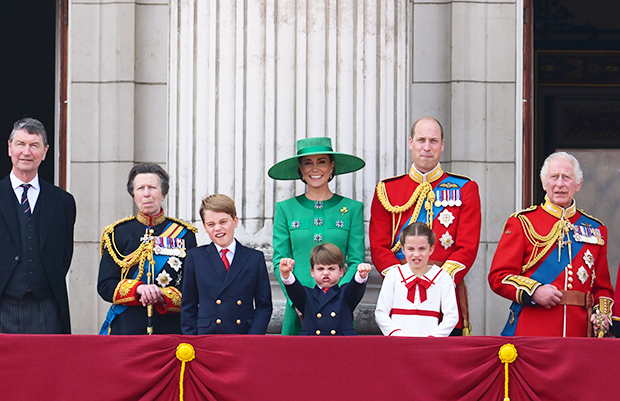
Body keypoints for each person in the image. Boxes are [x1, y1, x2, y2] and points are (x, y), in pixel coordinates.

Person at [369, 116, 481, 335]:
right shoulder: (387, 190)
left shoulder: (465, 188)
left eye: (433, 141)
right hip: (400, 297)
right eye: (421, 140)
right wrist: (402, 282)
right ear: (411, 143)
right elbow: (379, 246)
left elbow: (467, 247)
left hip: (444, 295)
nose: (427, 147)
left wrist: (438, 282)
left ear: (442, 145)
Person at [488, 152, 614, 337]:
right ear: (544, 182)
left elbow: (602, 288)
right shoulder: (522, 222)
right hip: (532, 330)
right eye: (554, 177)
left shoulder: (597, 229)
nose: (560, 184)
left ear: (578, 184)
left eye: (567, 177)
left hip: (578, 332)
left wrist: (602, 314)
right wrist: (534, 291)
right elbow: (499, 276)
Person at [269, 137, 366, 335]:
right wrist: (296, 300)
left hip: (338, 311)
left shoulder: (353, 209)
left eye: (321, 161)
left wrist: (340, 299)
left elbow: (356, 261)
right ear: (300, 169)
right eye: (308, 163)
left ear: (331, 166)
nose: (315, 169)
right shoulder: (285, 209)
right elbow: (280, 261)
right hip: (297, 308)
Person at [98, 163, 197, 335]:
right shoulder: (117, 233)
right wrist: (138, 289)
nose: (146, 194)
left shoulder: (184, 234)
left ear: (163, 193)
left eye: (152, 188)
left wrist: (162, 295)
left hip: (170, 330)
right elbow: (105, 286)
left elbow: (193, 288)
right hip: (127, 329)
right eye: (140, 188)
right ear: (133, 194)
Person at [0, 118, 76, 334]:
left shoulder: (63, 202)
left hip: (46, 308)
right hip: (3, 304)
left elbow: (64, 256)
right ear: (9, 148)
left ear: (45, 152)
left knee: (47, 366)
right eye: (20, 144)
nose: (26, 152)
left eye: (34, 146)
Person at [181, 194, 272, 335]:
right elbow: (188, 305)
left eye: (223, 222)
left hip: (243, 335)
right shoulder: (195, 257)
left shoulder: (254, 258)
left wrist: (254, 337)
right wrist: (191, 339)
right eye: (211, 224)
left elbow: (264, 305)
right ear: (205, 227)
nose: (217, 228)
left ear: (235, 222)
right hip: (207, 336)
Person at [375, 222, 458, 337]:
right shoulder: (393, 275)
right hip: (397, 344)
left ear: (431, 249)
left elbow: (452, 316)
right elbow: (381, 313)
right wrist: (397, 335)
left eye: (422, 249)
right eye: (411, 249)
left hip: (430, 346)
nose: (416, 254)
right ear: (403, 250)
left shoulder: (442, 277)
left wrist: (433, 338)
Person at [279, 243, 371, 336]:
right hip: (312, 345)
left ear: (341, 272)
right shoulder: (307, 295)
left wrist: (361, 275)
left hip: (342, 345)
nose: (326, 273)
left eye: (331, 268)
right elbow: (294, 289)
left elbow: (355, 288)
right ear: (312, 272)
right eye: (320, 269)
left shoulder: (345, 294)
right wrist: (286, 274)